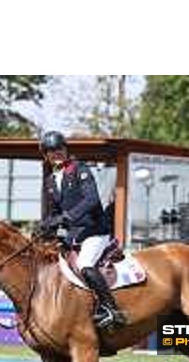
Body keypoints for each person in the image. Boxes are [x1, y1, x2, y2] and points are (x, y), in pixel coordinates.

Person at [39, 130, 126, 330]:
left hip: (95, 231)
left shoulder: (80, 169)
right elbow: (54, 212)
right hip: (73, 236)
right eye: (51, 150)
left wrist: (67, 217)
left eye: (59, 148)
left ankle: (111, 309)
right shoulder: (50, 181)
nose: (57, 153)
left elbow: (92, 199)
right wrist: (46, 226)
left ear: (65, 149)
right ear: (46, 155)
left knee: (85, 264)